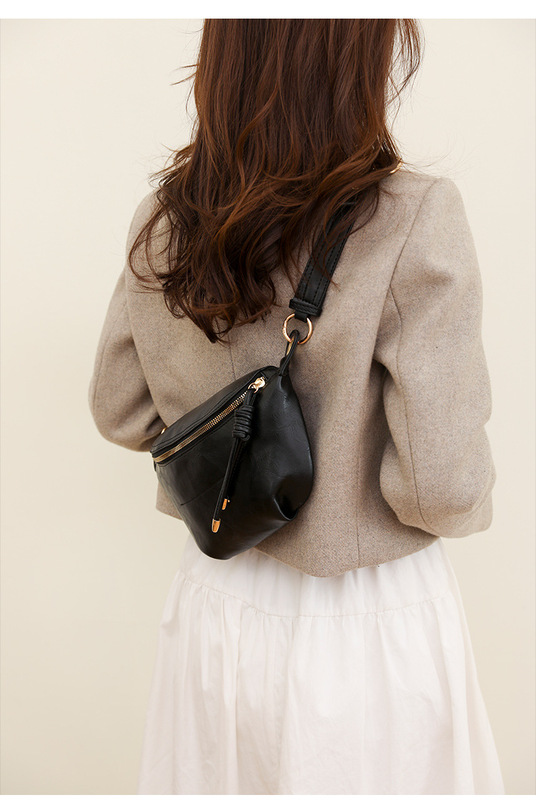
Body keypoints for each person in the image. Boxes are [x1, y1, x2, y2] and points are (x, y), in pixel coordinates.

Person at [88, 19, 505, 795]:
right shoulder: (415, 214)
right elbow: (442, 486)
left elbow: (119, 409)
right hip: (367, 622)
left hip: (215, 600)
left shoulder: (167, 215)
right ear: (363, 56)